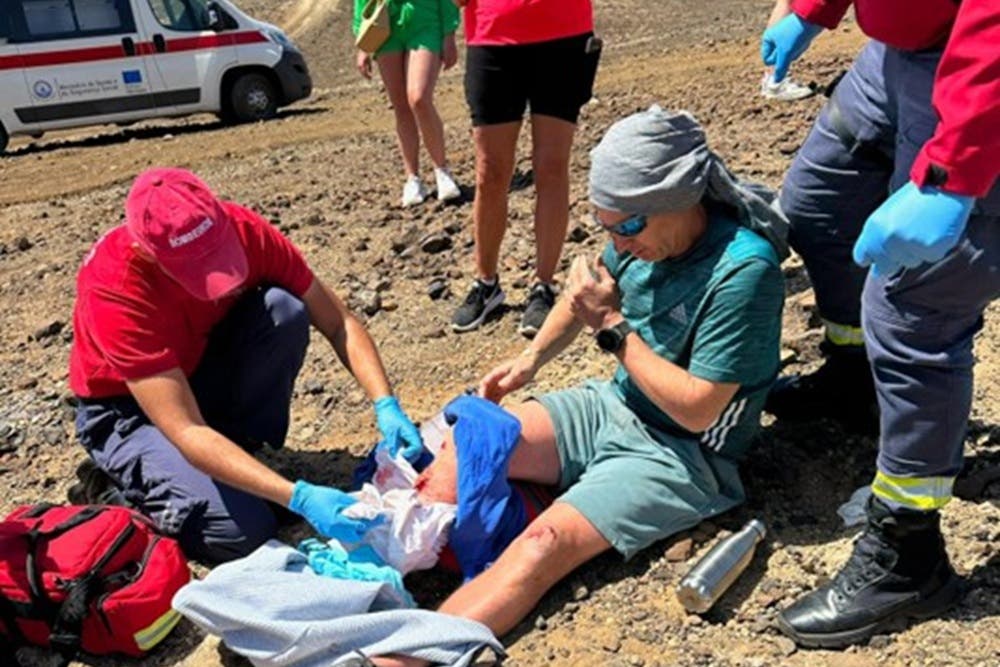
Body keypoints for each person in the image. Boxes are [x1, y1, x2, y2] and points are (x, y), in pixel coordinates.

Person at [372, 107, 787, 666]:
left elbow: (697, 412)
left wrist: (614, 329)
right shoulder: (637, 232)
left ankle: (401, 658)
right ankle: (357, 574)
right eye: (606, 227)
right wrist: (529, 360)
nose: (617, 241)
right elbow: (583, 295)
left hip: (684, 456)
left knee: (542, 548)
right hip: (615, 404)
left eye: (627, 227)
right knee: (466, 445)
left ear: (679, 198)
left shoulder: (744, 270)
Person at [759, 0, 999, 648]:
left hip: (981, 71)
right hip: (896, 58)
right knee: (816, 210)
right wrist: (812, 10)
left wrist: (953, 175)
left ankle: (907, 549)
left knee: (914, 304)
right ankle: (855, 381)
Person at [68, 167, 425, 563]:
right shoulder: (115, 287)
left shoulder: (242, 228)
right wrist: (298, 496)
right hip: (131, 410)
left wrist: (385, 404)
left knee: (284, 310)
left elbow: (338, 322)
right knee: (241, 534)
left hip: (198, 368)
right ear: (148, 252)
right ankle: (117, 487)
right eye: (193, 268)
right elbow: (186, 430)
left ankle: (234, 456)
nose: (215, 280)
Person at [449, 0, 602, 337]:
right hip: (493, 37)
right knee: (490, 171)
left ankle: (543, 285)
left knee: (550, 166)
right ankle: (486, 282)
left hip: (563, 33)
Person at [354, 0, 462, 207]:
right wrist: (363, 45)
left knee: (419, 97)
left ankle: (442, 171)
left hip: (425, 21)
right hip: (384, 26)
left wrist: (449, 34)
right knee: (401, 106)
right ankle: (412, 178)